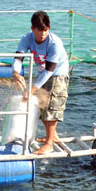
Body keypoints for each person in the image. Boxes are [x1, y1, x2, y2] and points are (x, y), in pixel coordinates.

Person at [12, 11, 69, 155]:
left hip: (57, 74)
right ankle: (53, 136)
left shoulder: (55, 42)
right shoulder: (26, 38)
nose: (43, 34)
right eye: (40, 31)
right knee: (40, 105)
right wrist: (15, 73)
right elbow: (19, 58)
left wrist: (32, 88)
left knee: (52, 107)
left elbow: (50, 70)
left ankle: (49, 144)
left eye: (46, 30)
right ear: (33, 29)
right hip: (42, 73)